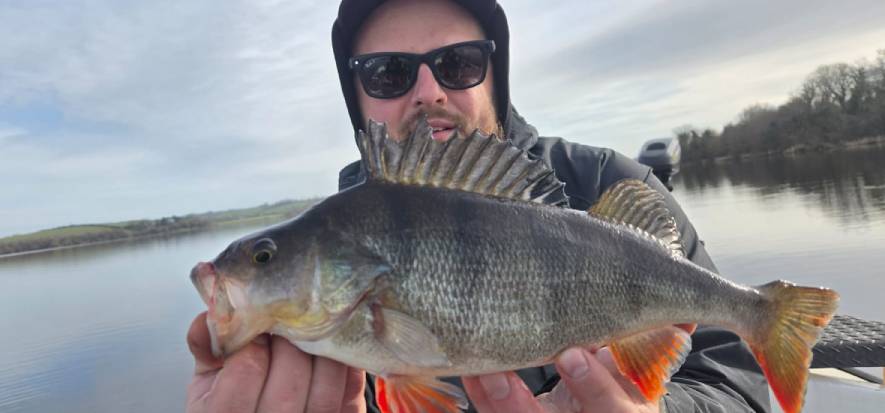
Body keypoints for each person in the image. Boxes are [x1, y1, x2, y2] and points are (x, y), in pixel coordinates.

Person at [186, 1, 772, 412]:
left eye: (458, 63)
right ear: (356, 97)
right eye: (388, 73)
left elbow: (735, 387)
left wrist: (659, 412)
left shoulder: (607, 184)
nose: (429, 91)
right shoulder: (319, 334)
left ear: (496, 76)